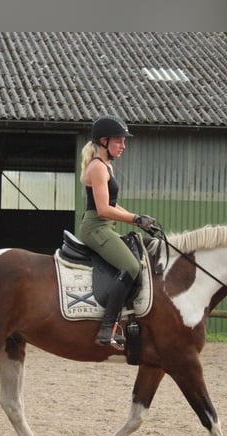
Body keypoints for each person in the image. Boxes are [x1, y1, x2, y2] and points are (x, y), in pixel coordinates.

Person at [78, 115, 158, 346]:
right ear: (104, 141)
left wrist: (138, 220)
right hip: (95, 228)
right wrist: (135, 218)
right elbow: (103, 209)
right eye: (119, 141)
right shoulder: (98, 168)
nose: (123, 146)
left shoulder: (107, 166)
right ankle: (106, 328)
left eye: (124, 141)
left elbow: (111, 204)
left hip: (104, 226)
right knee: (131, 266)